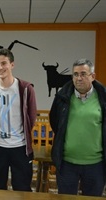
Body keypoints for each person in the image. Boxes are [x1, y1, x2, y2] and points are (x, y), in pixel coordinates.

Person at [49, 58, 106, 196]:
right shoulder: (62, 97)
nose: (79, 78)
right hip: (67, 163)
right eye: (75, 74)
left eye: (83, 74)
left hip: (96, 164)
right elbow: (55, 122)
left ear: (92, 76)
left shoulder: (103, 98)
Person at [0, 48, 37, 191]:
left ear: (12, 65)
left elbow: (31, 118)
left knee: (22, 188)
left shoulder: (25, 89)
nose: (0, 68)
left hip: (20, 147)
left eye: (4, 63)